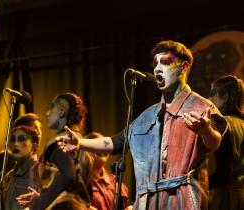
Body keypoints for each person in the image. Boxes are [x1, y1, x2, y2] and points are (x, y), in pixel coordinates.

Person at [57, 40, 228, 210]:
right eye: (155, 63)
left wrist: (205, 131)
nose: (157, 68)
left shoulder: (201, 106)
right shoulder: (148, 116)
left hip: (181, 201)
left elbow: (214, 143)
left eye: (166, 62)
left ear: (183, 67)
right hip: (149, 202)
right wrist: (79, 143)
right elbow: (115, 143)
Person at [17, 93, 93, 210]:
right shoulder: (85, 147)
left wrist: (41, 203)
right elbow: (79, 192)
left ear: (62, 112)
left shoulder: (61, 141)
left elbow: (69, 175)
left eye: (51, 108)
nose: (47, 113)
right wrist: (44, 196)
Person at [0, 113, 42, 201]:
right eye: (35, 128)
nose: (39, 133)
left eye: (40, 129)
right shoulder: (7, 160)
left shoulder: (42, 169)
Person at [208, 75, 244, 210]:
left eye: (212, 94)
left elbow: (223, 174)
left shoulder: (224, 124)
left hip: (226, 199)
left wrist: (199, 184)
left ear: (226, 97)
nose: (209, 99)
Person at [85, 132, 131, 210]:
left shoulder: (116, 181)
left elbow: (126, 205)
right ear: (86, 150)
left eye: (105, 147)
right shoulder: (81, 182)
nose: (102, 150)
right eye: (98, 146)